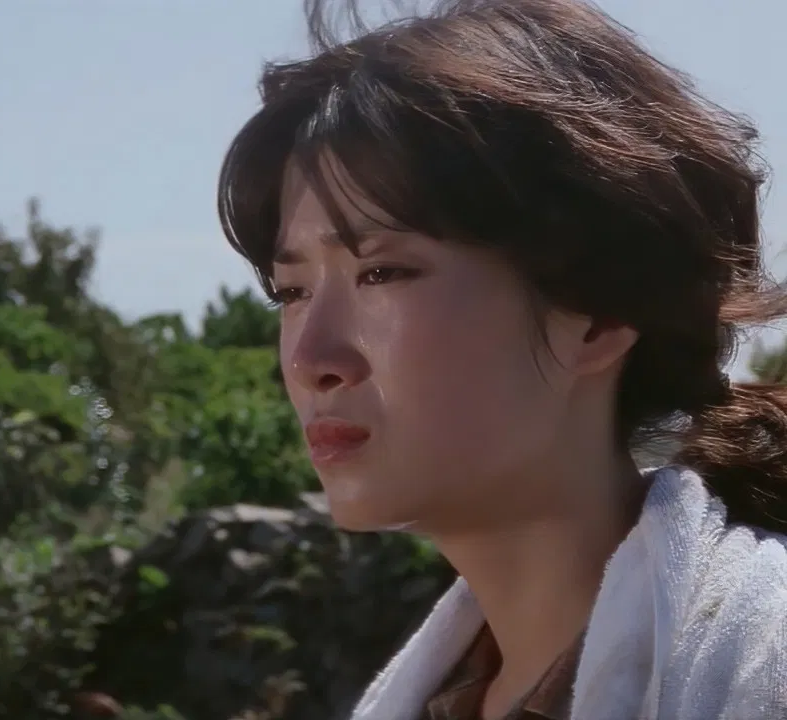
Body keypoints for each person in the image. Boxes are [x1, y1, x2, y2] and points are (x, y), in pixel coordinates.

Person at [216, 0, 787, 718]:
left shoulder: (761, 667)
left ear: (599, 315)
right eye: (291, 291)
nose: (310, 359)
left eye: (382, 273)